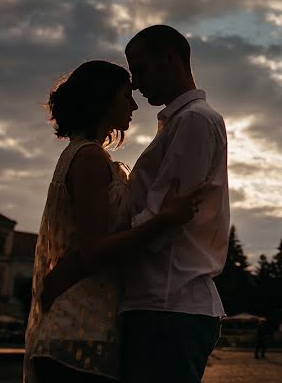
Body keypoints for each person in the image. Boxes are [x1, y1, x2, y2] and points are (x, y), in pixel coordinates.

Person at [24, 60, 204, 383]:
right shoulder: (89, 158)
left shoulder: (84, 154)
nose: (134, 105)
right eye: (125, 96)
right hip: (80, 331)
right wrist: (165, 220)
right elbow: (94, 251)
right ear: (102, 99)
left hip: (81, 329)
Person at [119, 25, 230, 383]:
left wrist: (100, 247)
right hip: (162, 305)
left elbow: (162, 222)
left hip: (169, 304)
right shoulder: (182, 122)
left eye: (140, 70)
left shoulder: (194, 120)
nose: (135, 83)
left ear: (169, 59)